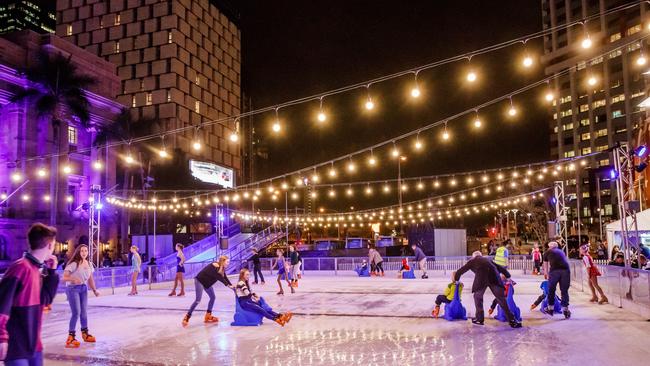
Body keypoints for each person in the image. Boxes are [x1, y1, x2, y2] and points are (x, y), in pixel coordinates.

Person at [0, 223, 59, 365]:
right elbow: (2, 304)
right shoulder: (20, 268)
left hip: (34, 344)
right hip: (17, 345)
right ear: (50, 245)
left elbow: (45, 299)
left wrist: (52, 273)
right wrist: (2, 337)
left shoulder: (36, 270)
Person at [454, 251, 522, 328]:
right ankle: (513, 321)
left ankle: (479, 319)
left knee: (477, 297)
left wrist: (456, 280)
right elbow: (500, 268)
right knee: (502, 300)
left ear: (473, 257)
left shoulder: (472, 261)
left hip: (481, 280)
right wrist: (508, 276)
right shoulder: (488, 260)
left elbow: (461, 270)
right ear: (481, 255)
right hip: (494, 278)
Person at [62, 244, 100, 348]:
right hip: (72, 289)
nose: (84, 253)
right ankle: (71, 337)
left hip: (83, 289)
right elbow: (64, 277)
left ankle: (85, 333)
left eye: (86, 251)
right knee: (76, 312)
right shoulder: (74, 264)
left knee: (84, 312)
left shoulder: (89, 264)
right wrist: (73, 279)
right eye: (82, 251)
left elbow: (90, 279)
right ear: (78, 252)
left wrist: (94, 290)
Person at [182, 256, 233, 326]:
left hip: (207, 283)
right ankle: (187, 316)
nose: (228, 263)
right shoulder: (214, 266)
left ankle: (208, 315)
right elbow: (220, 278)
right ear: (223, 261)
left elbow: (224, 277)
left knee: (213, 297)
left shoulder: (221, 268)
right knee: (198, 300)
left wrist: (231, 285)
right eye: (227, 262)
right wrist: (228, 285)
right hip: (200, 281)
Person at [543, 241, 571, 319]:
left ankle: (550, 308)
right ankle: (565, 310)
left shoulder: (547, 252)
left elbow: (545, 266)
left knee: (551, 289)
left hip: (554, 271)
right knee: (564, 290)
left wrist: (546, 274)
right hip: (566, 271)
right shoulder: (561, 252)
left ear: (549, 247)